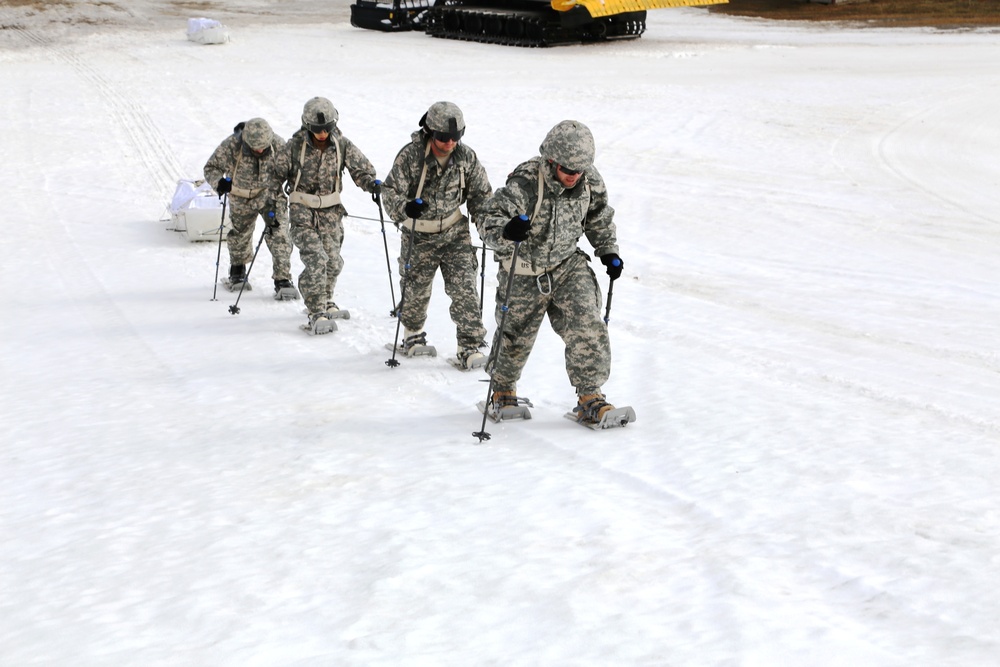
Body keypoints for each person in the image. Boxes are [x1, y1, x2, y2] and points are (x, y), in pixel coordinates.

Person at [478, 120, 625, 424]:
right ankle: (502, 389)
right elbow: (488, 219)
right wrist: (507, 230)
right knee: (514, 335)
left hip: (566, 265)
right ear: (552, 160)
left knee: (587, 322)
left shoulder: (589, 180)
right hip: (524, 269)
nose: (574, 176)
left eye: (579, 170)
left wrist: (608, 250)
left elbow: (598, 217)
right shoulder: (526, 181)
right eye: (568, 170)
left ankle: (590, 396)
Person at [381, 101, 492, 368]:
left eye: (456, 137)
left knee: (465, 288)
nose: (450, 142)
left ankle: (469, 345)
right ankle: (412, 333)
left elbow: (481, 195)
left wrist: (488, 225)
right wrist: (405, 208)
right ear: (430, 132)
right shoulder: (411, 156)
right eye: (443, 137)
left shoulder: (466, 158)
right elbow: (390, 191)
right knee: (416, 289)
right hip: (419, 235)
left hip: (455, 233)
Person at [275, 97, 379, 334]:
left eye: (327, 128)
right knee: (316, 259)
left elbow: (362, 169)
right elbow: (273, 178)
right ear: (306, 125)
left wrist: (371, 184)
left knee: (333, 261)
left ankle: (326, 299)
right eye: (317, 129)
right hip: (302, 211)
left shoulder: (341, 144)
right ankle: (316, 311)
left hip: (331, 212)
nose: (322, 134)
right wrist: (273, 207)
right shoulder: (294, 147)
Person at [203, 117, 298, 299]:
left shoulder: (279, 144)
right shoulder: (232, 145)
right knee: (241, 233)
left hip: (269, 195)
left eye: (263, 147)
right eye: (255, 148)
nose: (259, 151)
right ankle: (237, 270)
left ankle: (283, 279)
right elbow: (211, 167)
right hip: (241, 196)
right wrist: (219, 182)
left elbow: (293, 170)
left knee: (280, 234)